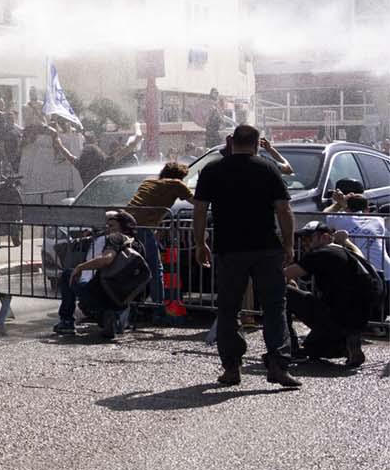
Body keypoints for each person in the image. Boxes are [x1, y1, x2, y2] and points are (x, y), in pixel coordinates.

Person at [193, 124, 299, 389]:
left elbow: (199, 210)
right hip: (266, 248)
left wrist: (199, 242)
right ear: (256, 143)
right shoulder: (267, 168)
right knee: (275, 307)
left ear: (231, 141)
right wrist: (288, 244)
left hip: (229, 249)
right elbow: (284, 211)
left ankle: (231, 368)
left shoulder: (212, 169)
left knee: (229, 308)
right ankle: (277, 365)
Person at [285, 221, 378, 368]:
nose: (305, 243)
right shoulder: (350, 253)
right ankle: (346, 344)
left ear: (326, 238)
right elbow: (358, 252)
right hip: (357, 322)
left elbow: (283, 276)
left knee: (282, 292)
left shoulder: (322, 253)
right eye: (303, 240)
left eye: (310, 238)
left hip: (336, 316)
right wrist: (345, 241)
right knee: (312, 348)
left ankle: (290, 348)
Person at [55, 210, 146, 338]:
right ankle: (112, 317)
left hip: (103, 291)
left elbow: (106, 259)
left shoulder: (116, 238)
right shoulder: (138, 244)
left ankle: (67, 322)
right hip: (124, 297)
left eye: (112, 226)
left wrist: (81, 267)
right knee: (107, 307)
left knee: (68, 274)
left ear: (123, 226)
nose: (108, 229)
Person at [126, 161, 196, 303]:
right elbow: (197, 202)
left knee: (130, 267)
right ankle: (159, 308)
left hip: (125, 223)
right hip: (142, 228)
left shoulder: (149, 181)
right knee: (155, 269)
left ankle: (129, 306)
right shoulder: (177, 184)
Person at [327, 192, 386, 276]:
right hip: (385, 271)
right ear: (367, 209)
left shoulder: (339, 219)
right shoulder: (378, 220)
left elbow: (325, 214)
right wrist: (344, 204)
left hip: (363, 272)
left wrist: (338, 203)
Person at [76, 133, 141, 186]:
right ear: (98, 154)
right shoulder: (105, 164)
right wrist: (137, 137)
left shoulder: (81, 166)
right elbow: (124, 151)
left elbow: (69, 156)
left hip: (87, 199)